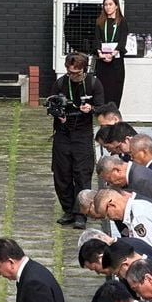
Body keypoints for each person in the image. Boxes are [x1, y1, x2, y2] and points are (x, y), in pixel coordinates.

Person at [52, 52, 105, 227]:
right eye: (70, 72)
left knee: (82, 173)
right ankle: (68, 209)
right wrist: (58, 113)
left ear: (84, 70)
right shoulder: (60, 83)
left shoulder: (93, 83)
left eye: (77, 73)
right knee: (61, 173)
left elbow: (101, 108)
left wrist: (91, 108)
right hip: (63, 132)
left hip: (83, 133)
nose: (73, 76)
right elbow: (51, 105)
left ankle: (81, 212)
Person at [94, 0, 128, 106]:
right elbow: (96, 40)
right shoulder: (99, 21)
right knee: (102, 91)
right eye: (105, 5)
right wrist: (101, 54)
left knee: (115, 92)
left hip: (116, 63)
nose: (108, 7)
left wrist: (112, 54)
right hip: (102, 62)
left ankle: (113, 113)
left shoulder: (122, 22)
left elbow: (122, 41)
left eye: (110, 4)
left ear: (116, 6)